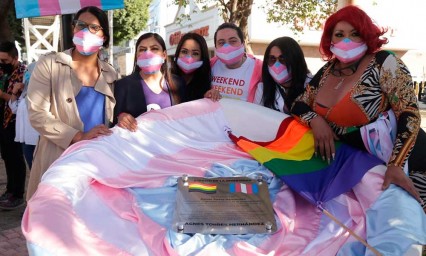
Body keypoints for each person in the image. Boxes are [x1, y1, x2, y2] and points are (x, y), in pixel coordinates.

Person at [290, 5, 423, 204]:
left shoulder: (384, 62)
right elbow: (299, 104)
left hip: (408, 166)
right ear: (330, 39)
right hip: (361, 171)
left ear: (366, 35)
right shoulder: (327, 70)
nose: (346, 40)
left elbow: (409, 113)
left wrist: (396, 164)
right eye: (339, 34)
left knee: (412, 227)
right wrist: (316, 120)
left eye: (355, 34)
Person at [26, 6, 119, 200]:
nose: (86, 31)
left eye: (94, 27)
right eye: (81, 25)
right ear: (73, 28)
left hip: (96, 164)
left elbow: (116, 116)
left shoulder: (111, 74)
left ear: (105, 36)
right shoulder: (49, 65)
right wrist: (79, 136)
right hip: (58, 159)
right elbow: (37, 114)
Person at [113, 32, 184, 132]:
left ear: (164, 55)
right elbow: (114, 119)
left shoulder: (178, 83)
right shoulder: (123, 85)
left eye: (154, 48)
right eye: (142, 49)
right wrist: (120, 117)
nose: (148, 53)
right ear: (136, 56)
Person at [0, 41, 27, 210]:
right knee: (7, 157)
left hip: (14, 122)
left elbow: (16, 99)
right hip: (3, 121)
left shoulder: (24, 74)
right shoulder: (3, 72)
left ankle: (17, 194)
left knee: (16, 159)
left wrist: (2, 94)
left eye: (5, 60)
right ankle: (10, 190)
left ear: (15, 58)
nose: (2, 64)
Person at [254, 36, 312, 114]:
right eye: (272, 59)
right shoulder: (262, 89)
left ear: (296, 60)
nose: (277, 65)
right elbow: (257, 118)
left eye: (283, 58)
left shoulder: (312, 85)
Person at [210, 23, 262, 102]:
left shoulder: (260, 69)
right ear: (216, 47)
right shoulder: (210, 65)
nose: (227, 47)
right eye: (221, 43)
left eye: (233, 41)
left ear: (243, 43)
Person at [171, 32, 221, 102]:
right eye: (184, 52)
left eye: (195, 53)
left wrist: (209, 97)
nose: (188, 58)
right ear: (178, 53)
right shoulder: (167, 79)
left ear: (202, 58)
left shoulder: (206, 84)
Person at [8, 61, 39, 170]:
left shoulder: (43, 94)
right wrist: (14, 92)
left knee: (40, 172)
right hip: (26, 139)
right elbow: (14, 108)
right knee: (33, 171)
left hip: (38, 140)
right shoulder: (24, 93)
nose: (27, 77)